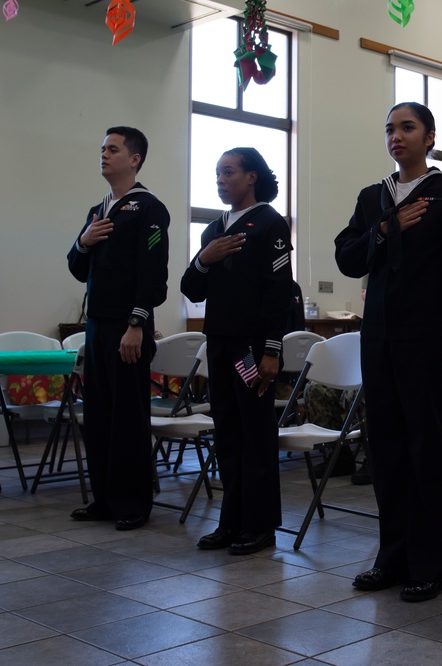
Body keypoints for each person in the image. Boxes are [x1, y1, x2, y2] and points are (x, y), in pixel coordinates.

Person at [335, 101, 442, 602]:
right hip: (378, 337)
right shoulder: (371, 197)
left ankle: (429, 565)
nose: (397, 136)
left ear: (430, 136)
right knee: (386, 448)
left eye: (408, 127)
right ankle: (391, 558)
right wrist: (383, 228)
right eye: (389, 129)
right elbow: (347, 256)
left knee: (425, 447)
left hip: (430, 338)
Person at [181, 147, 294, 555]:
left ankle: (260, 525)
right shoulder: (212, 231)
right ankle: (231, 521)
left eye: (228, 172)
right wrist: (203, 260)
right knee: (227, 432)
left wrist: (271, 350)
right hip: (220, 343)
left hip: (252, 348)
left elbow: (278, 293)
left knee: (255, 434)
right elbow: (191, 288)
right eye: (217, 173)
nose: (220, 179)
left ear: (251, 177)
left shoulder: (269, 223)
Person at [66, 127, 168, 531]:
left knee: (128, 416)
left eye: (113, 149)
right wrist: (83, 241)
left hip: (129, 327)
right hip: (96, 326)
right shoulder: (98, 210)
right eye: (102, 149)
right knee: (99, 415)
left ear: (135, 158)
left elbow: (153, 275)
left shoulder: (149, 208)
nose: (104, 155)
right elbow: (76, 269)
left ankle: (133, 502)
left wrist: (137, 323)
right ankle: (104, 498)